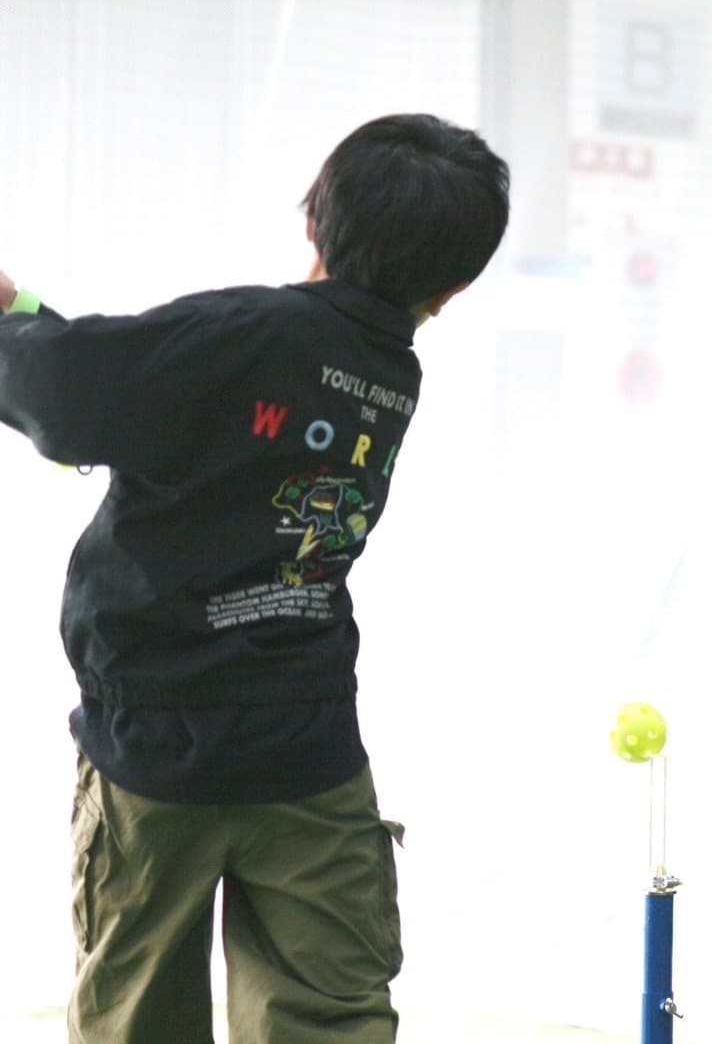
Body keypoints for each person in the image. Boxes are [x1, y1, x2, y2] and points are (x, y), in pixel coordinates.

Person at [0, 113, 509, 1043]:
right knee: (327, 1016)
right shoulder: (388, 371)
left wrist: (10, 317)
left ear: (313, 217)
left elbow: (70, 396)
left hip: (159, 747)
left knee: (139, 1013)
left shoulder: (247, 331)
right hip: (307, 750)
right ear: (455, 286)